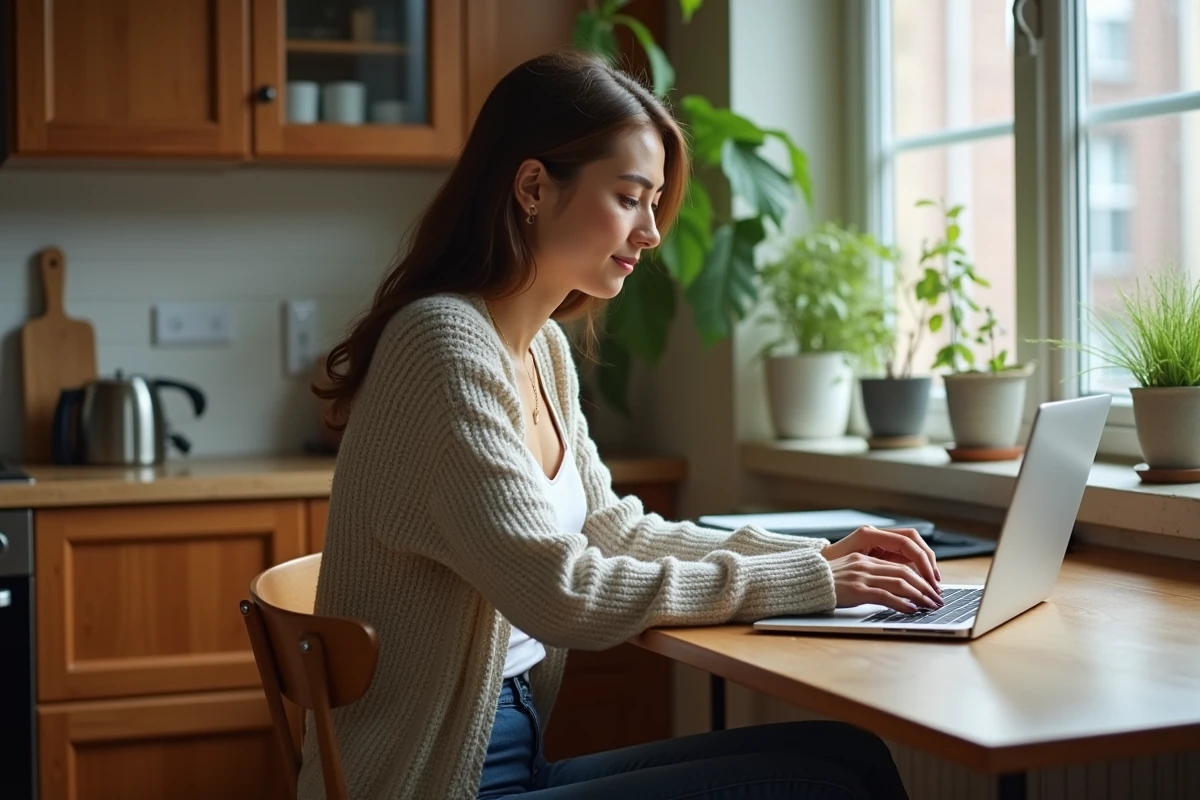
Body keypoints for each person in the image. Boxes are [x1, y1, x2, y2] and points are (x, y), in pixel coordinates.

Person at [307, 49, 942, 800]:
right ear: (534, 187)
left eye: (654, 203)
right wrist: (809, 580)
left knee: (846, 757)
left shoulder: (541, 347)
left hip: (509, 756)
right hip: (441, 781)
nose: (650, 232)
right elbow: (562, 592)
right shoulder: (440, 344)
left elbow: (612, 530)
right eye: (629, 197)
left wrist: (818, 555)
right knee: (825, 783)